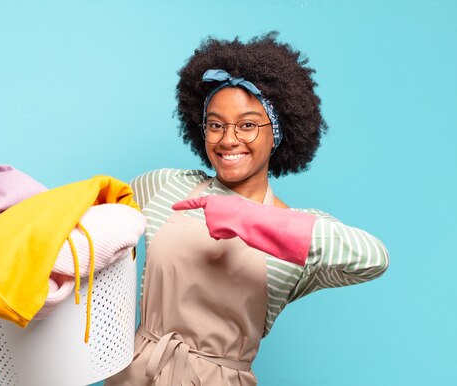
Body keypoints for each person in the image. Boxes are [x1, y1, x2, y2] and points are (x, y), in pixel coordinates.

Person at [105, 32, 389, 386]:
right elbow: (91, 236)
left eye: (248, 125)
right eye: (215, 124)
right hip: (135, 374)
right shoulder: (164, 185)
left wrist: (250, 218)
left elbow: (373, 259)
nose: (228, 139)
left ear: (279, 132)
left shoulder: (301, 228)